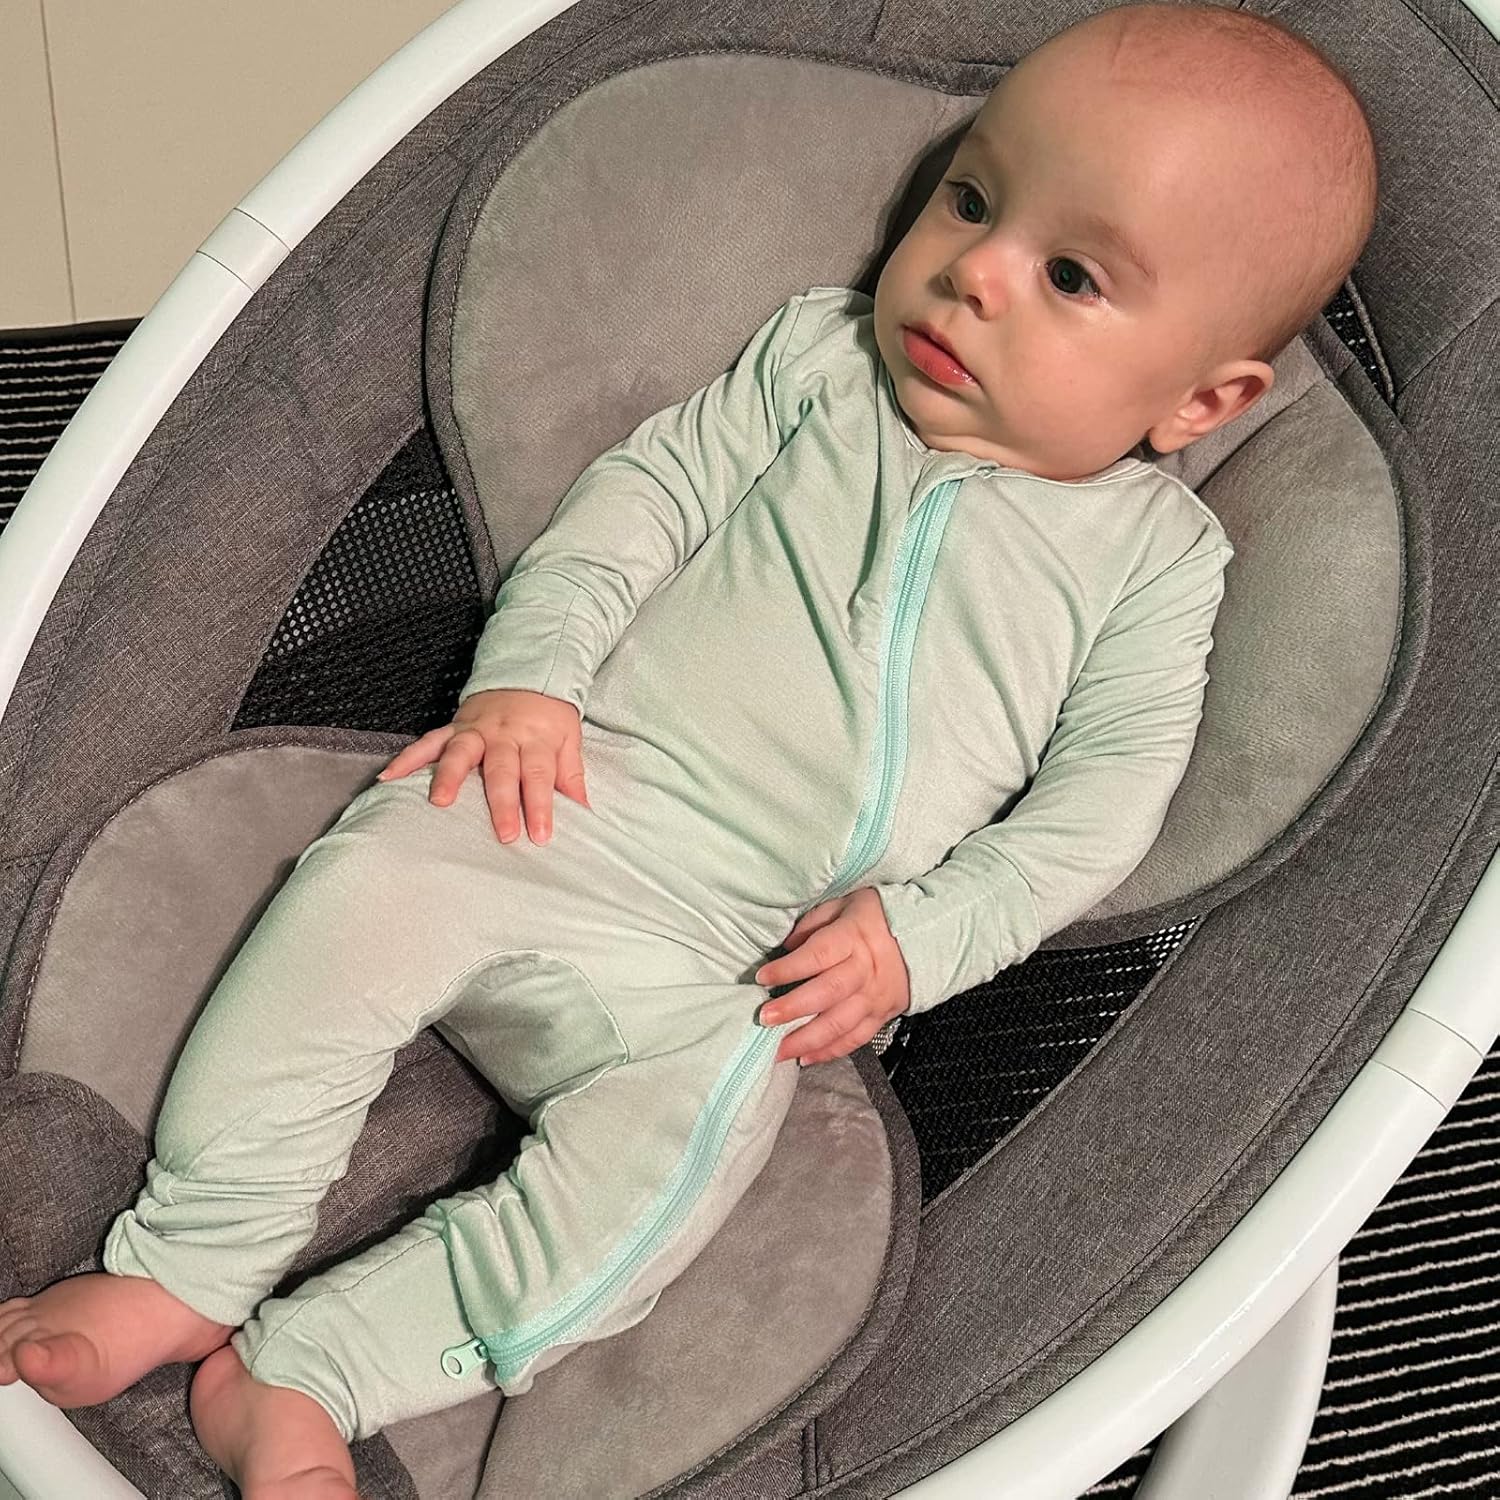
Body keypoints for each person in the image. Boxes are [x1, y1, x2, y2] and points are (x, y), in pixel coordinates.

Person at [0, 4, 1378, 1494]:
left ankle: (317, 1369)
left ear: (1202, 402)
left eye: (1070, 276)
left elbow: (1100, 808)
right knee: (358, 892)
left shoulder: (1153, 564)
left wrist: (922, 939)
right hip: (559, 802)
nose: (973, 271)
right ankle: (191, 1262)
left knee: (679, 1163)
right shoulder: (819, 366)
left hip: (738, 962)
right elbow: (636, 510)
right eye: (973, 197)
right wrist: (528, 683)